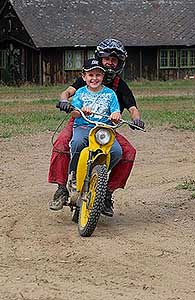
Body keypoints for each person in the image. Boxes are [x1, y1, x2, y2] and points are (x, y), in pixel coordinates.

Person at [48, 38, 145, 217]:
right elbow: (68, 92)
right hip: (81, 122)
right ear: (99, 59)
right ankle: (62, 188)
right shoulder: (88, 77)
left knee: (128, 152)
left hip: (105, 128)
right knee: (61, 144)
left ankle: (106, 193)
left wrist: (136, 120)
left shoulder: (119, 86)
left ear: (119, 63)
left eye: (114, 60)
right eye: (107, 58)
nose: (110, 63)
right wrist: (64, 101)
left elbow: (132, 107)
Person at [68, 58, 122, 188]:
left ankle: (99, 174)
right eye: (91, 75)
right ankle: (74, 174)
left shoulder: (110, 94)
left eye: (98, 75)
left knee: (116, 151)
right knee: (77, 143)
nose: (94, 78)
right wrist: (81, 111)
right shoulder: (80, 92)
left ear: (103, 76)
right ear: (84, 76)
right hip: (83, 126)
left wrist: (116, 115)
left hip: (104, 129)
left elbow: (116, 112)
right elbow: (73, 113)